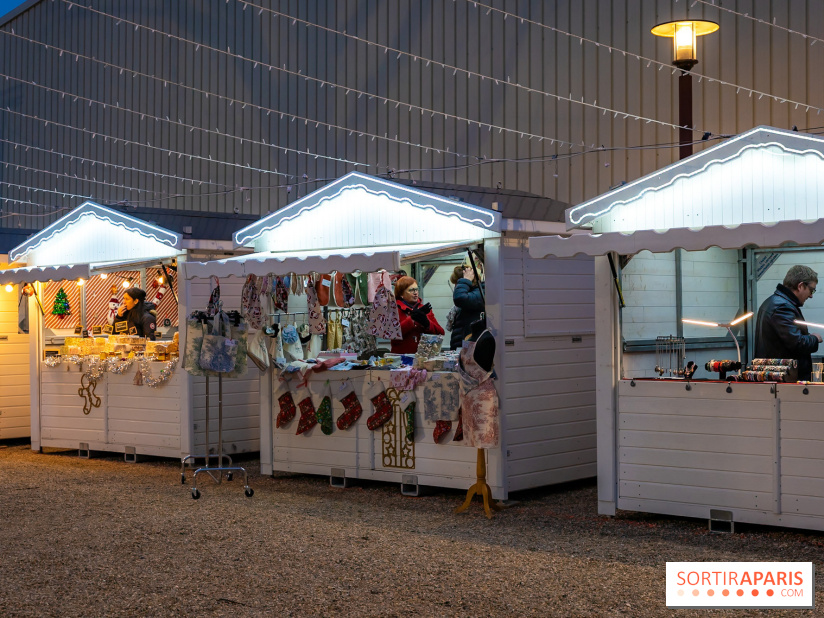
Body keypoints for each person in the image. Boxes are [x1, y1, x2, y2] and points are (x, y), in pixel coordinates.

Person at [754, 265, 822, 381]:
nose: (811, 295)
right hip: (785, 380)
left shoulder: (775, 302)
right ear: (800, 286)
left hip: (780, 378)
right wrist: (814, 338)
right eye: (811, 290)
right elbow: (797, 343)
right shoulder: (782, 307)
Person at [392, 276, 444, 354]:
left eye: (416, 289)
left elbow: (441, 333)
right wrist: (412, 320)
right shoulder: (394, 310)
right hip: (401, 358)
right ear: (401, 294)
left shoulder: (424, 309)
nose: (415, 293)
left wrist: (427, 324)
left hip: (423, 358)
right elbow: (393, 334)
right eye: (411, 290)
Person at [449, 262, 485, 350]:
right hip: (463, 344)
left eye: (457, 283)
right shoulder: (472, 293)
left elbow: (460, 298)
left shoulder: (480, 292)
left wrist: (466, 280)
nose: (456, 287)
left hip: (470, 346)